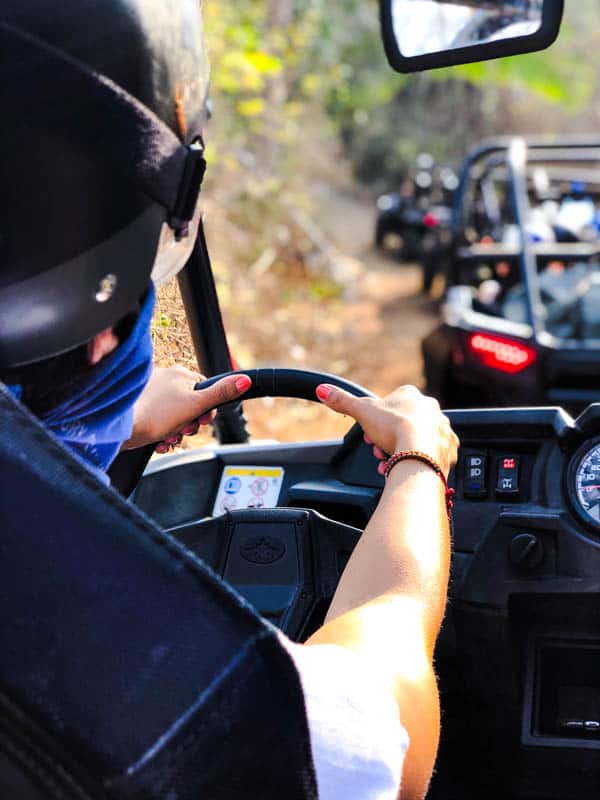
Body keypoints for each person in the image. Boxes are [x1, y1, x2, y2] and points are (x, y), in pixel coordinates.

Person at [0, 3, 459, 798]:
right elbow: (382, 734)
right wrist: (421, 460)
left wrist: (79, 431)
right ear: (104, 337)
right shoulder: (159, 700)